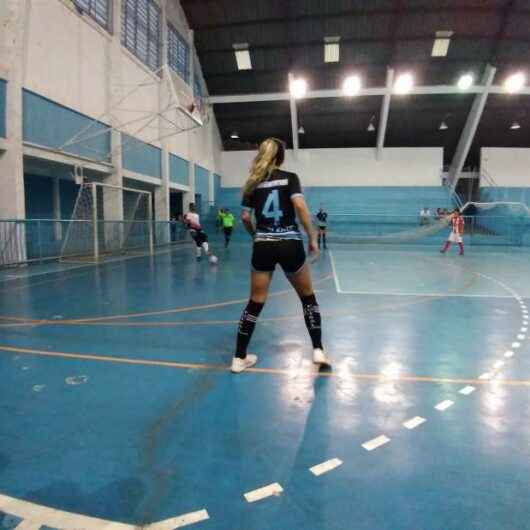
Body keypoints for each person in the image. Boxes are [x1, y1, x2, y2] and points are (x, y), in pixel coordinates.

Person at [231, 137, 331, 374]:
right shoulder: (290, 177)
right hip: (290, 243)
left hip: (263, 245)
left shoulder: (252, 183)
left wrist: (256, 234)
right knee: (307, 297)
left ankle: (238, 357)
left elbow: (245, 217)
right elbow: (300, 207)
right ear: (281, 156)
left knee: (255, 302)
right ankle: (318, 349)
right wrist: (313, 237)